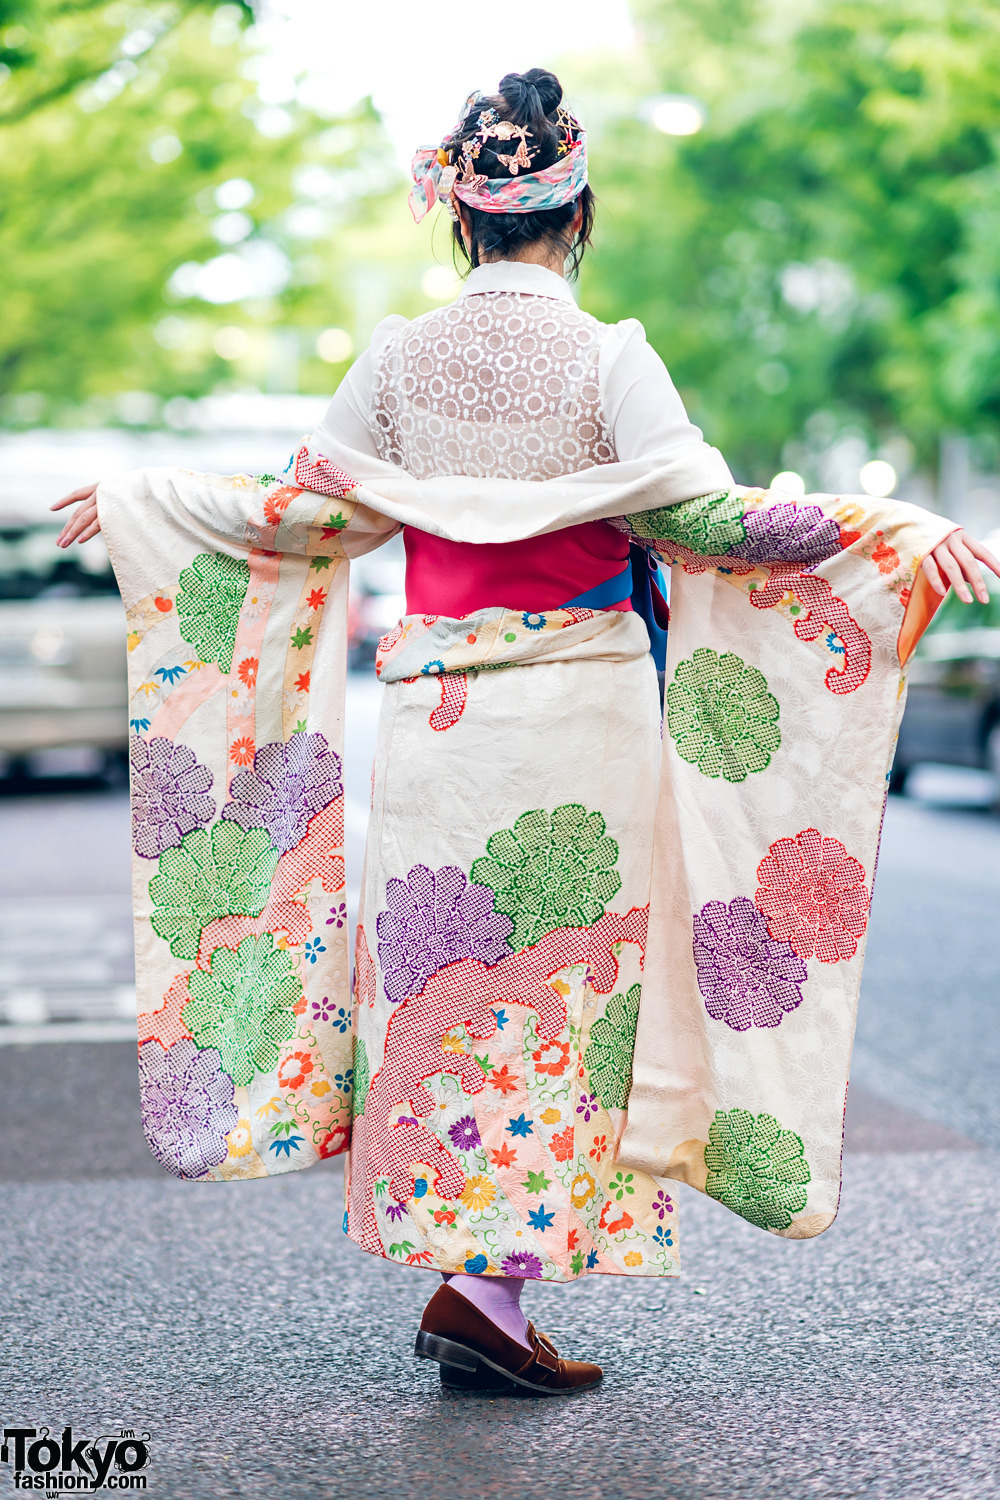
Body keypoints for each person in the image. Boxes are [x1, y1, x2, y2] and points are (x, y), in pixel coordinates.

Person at [55, 68, 999, 1399]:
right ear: (576, 210)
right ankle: (489, 1288)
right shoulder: (612, 357)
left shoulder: (397, 356)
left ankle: (481, 1284)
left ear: (461, 215)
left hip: (441, 726)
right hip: (580, 718)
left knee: (456, 990)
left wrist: (150, 500)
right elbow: (712, 525)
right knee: (569, 992)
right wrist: (893, 536)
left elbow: (301, 512)